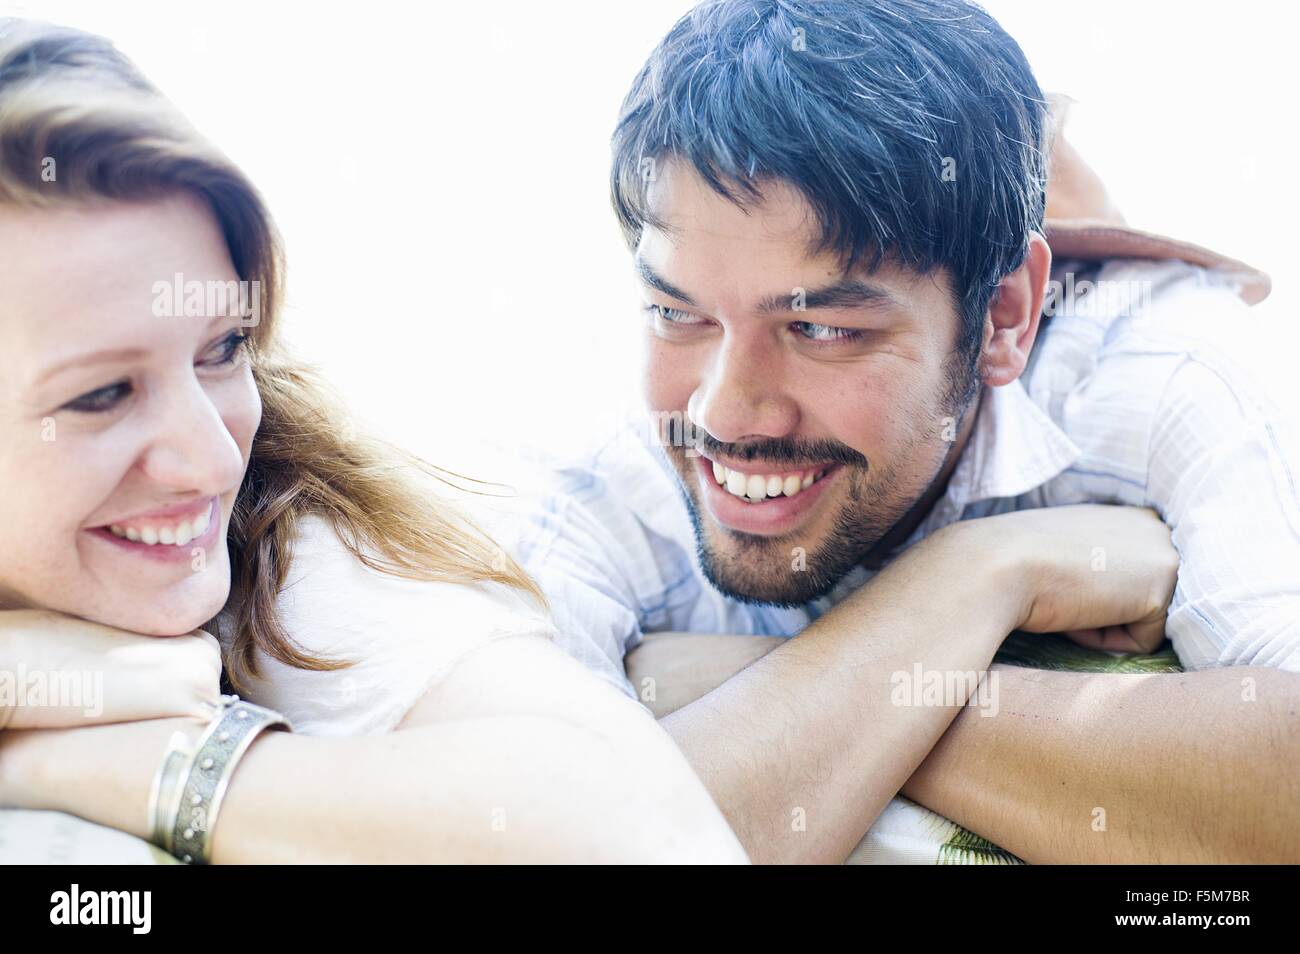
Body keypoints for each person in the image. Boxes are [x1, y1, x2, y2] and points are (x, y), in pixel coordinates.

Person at [507, 0, 1300, 864]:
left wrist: (711, 685)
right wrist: (980, 580)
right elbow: (530, 841)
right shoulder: (603, 490)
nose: (722, 415)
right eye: (675, 313)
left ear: (1003, 316)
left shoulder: (1164, 380)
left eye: (820, 330)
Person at [0, 17, 749, 864]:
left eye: (223, 352)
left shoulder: (288, 548)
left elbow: (649, 832)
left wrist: (111, 760)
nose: (213, 460)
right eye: (102, 396)